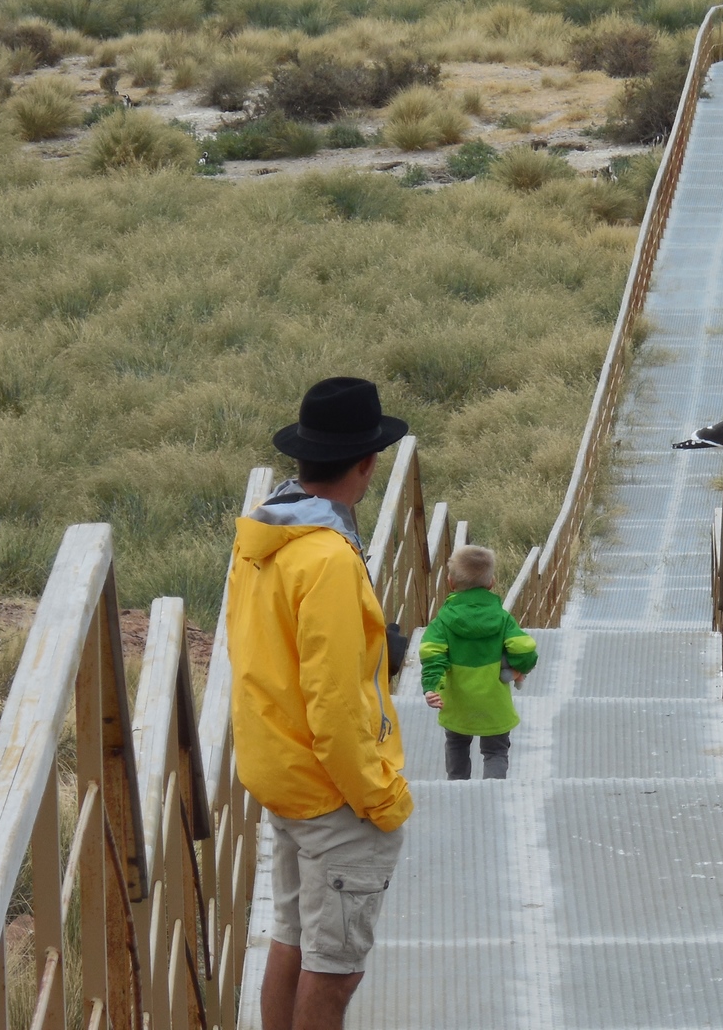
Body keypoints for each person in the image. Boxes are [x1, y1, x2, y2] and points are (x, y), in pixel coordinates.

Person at [226, 376, 411, 1030]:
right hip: (333, 789)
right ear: (368, 464)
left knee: (294, 940)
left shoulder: (264, 535)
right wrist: (379, 797)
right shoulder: (328, 557)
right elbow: (335, 704)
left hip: (282, 770)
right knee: (335, 970)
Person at [420, 545, 538, 780]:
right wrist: (519, 667)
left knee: (456, 744)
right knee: (495, 751)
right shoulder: (502, 618)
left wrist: (431, 686)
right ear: (491, 583)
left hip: (458, 704)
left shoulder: (443, 621)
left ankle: (457, 786)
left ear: (450, 582)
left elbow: (432, 654)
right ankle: (492, 791)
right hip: (494, 704)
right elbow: (524, 648)